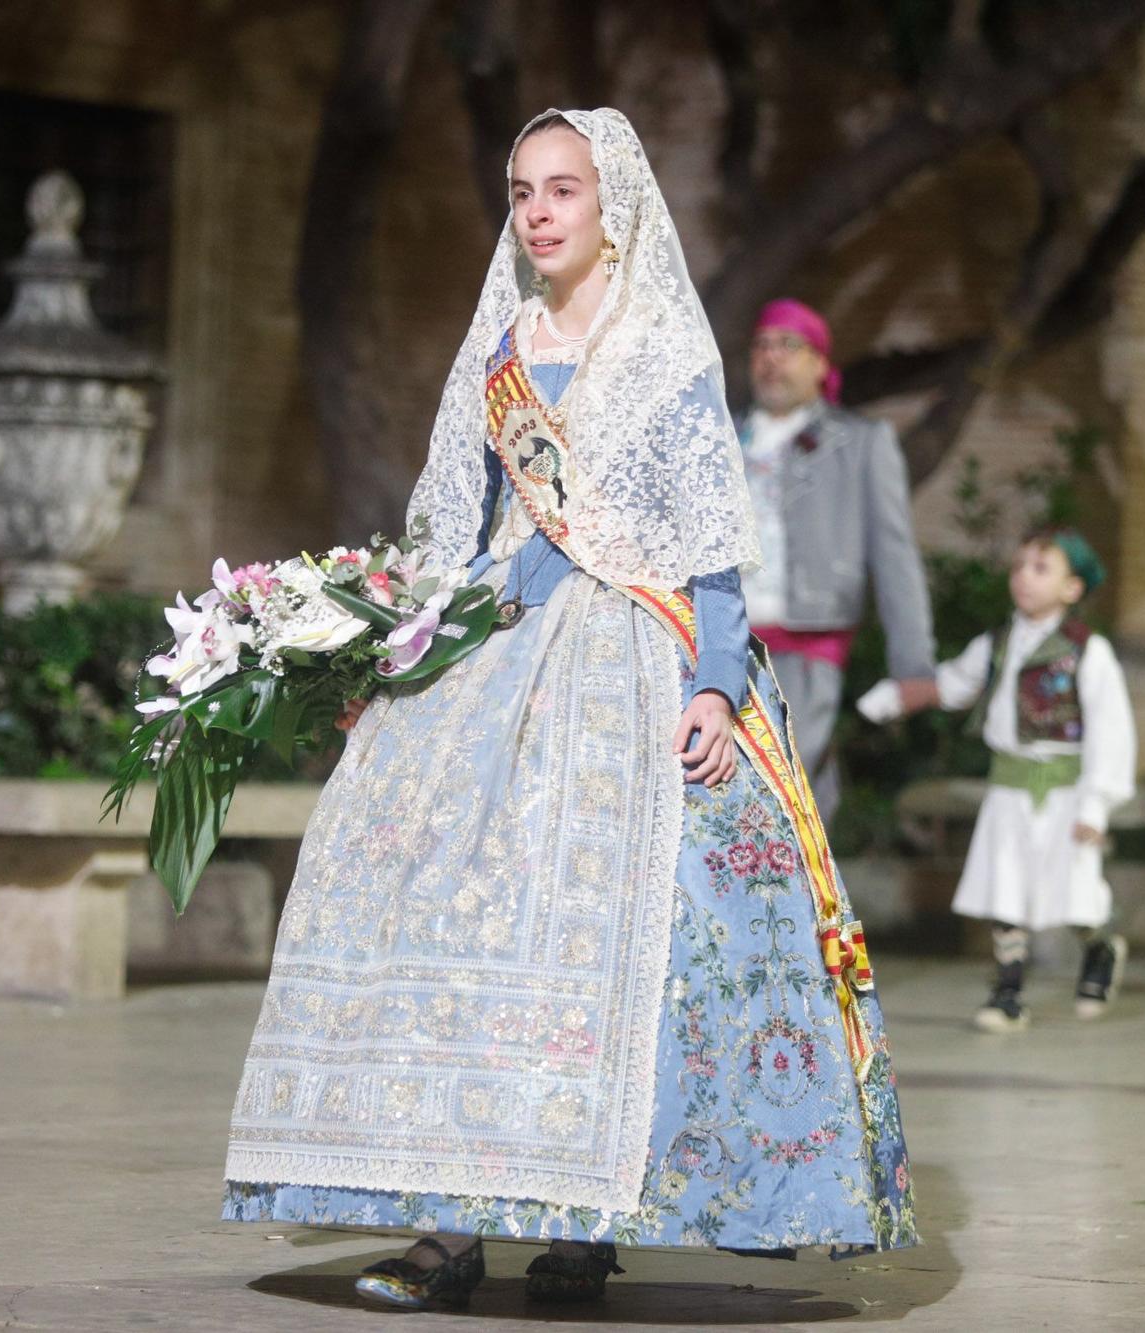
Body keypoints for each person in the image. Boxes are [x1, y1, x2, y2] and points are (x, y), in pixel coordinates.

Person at [218, 109, 916, 1313]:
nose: (539, 211)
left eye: (564, 190)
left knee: (626, 936)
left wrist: (710, 682)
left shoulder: (662, 354)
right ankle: (444, 1236)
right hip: (496, 645)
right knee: (433, 897)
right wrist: (389, 664)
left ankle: (583, 1223)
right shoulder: (500, 350)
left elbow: (706, 546)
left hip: (632, 651)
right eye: (522, 190)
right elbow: (452, 529)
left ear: (614, 206)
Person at [859, 530, 1135, 1030]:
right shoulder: (997, 644)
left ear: (1072, 588)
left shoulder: (1087, 652)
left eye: (1041, 568)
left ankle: (1100, 948)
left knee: (1074, 889)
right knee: (1004, 882)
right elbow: (954, 683)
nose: (1024, 577)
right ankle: (1008, 988)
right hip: (1009, 785)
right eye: (1020, 565)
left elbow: (1111, 730)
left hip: (1065, 788)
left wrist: (1097, 802)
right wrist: (901, 697)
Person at [739, 300, 935, 817]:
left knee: (783, 789)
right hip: (721, 641)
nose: (772, 358)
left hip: (809, 643)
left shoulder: (862, 443)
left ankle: (798, 893)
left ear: (821, 363)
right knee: (731, 795)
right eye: (762, 345)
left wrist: (913, 664)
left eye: (789, 346)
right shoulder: (720, 436)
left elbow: (894, 554)